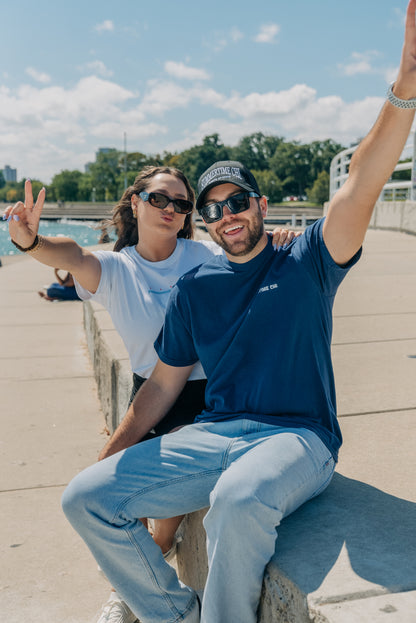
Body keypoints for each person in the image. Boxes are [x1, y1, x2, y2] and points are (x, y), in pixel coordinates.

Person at [58, 3, 416, 621]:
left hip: (298, 439)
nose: (229, 216)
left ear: (262, 203)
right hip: (215, 434)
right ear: (207, 220)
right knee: (84, 498)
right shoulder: (196, 286)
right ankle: (173, 613)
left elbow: (360, 180)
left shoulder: (307, 261)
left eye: (239, 201)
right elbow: (161, 389)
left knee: (238, 499)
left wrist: (404, 88)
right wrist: (112, 457)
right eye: (215, 208)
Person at [4, 166, 295, 623]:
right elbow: (74, 255)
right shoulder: (116, 269)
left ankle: (147, 587)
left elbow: (251, 244)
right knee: (105, 489)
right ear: (135, 202)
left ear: (187, 216)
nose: (170, 209)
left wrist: (275, 235)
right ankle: (140, 588)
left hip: (214, 396)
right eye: (159, 198)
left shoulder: (205, 254)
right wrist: (31, 242)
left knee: (159, 521)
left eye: (181, 204)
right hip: (152, 395)